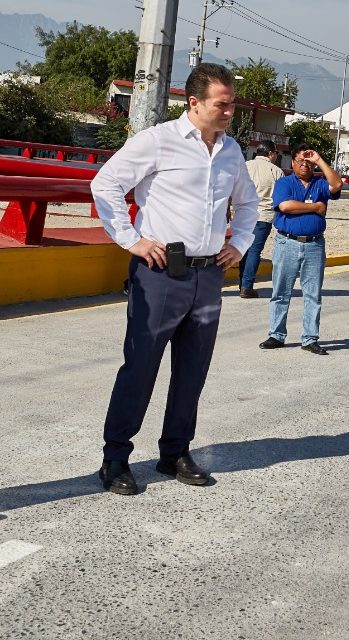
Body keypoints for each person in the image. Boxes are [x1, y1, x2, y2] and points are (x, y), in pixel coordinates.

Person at [90, 62, 258, 495]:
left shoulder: (231, 150)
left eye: (232, 105)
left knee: (192, 369)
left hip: (207, 276)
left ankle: (175, 452)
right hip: (161, 274)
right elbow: (105, 184)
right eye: (222, 105)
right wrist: (131, 240)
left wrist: (238, 244)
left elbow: (250, 203)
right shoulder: (158, 141)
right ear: (195, 102)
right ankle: (115, 458)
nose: (228, 113)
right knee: (141, 367)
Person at [259, 144, 342, 355]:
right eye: (300, 161)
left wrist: (320, 160)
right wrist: (316, 207)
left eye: (309, 162)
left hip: (314, 245)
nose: (305, 165)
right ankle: (276, 335)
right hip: (287, 243)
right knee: (281, 291)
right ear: (292, 163)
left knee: (313, 294)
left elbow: (337, 184)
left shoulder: (320, 184)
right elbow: (285, 206)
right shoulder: (284, 183)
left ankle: (310, 338)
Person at [239, 140, 284, 298]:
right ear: (271, 153)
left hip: (243, 215)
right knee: (254, 251)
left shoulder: (245, 165)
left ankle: (242, 284)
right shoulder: (276, 171)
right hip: (263, 216)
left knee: (242, 249)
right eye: (275, 154)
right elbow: (281, 197)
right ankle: (246, 286)